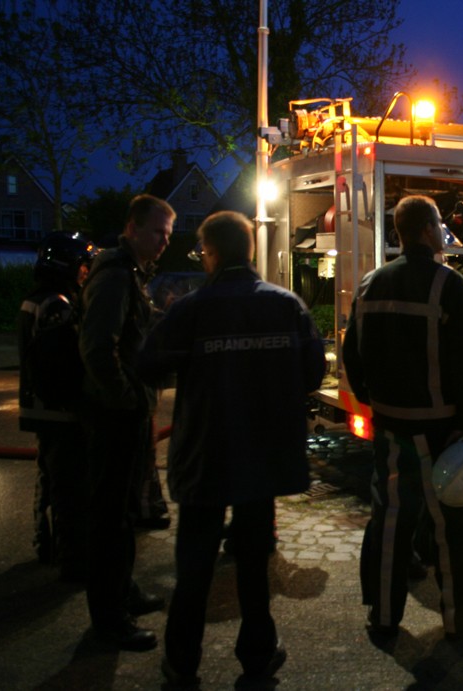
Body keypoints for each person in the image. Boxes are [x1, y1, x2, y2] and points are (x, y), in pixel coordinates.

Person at [137, 211, 324, 687]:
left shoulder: (190, 310)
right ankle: (257, 657)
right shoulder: (286, 306)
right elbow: (313, 372)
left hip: (205, 455)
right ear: (250, 250)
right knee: (254, 563)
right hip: (263, 458)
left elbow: (148, 363)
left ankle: (182, 662)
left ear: (213, 253)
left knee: (194, 566)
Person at [342, 194, 463, 641]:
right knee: (450, 529)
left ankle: (384, 618)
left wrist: (371, 400)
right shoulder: (449, 284)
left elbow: (352, 353)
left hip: (390, 428)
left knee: (390, 522)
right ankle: (461, 620)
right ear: (428, 229)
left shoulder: (369, 283)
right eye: (439, 224)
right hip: (441, 430)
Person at [78, 193, 173, 651]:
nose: (164, 242)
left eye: (168, 235)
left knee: (125, 512)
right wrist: (128, 400)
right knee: (111, 518)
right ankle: (110, 619)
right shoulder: (116, 276)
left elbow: (137, 328)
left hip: (125, 412)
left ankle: (123, 591)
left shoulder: (131, 273)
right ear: (132, 228)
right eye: (158, 232)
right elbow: (98, 348)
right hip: (115, 417)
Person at [18, 232, 97, 583]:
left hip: (40, 409)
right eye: (81, 265)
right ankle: (73, 561)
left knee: (49, 480)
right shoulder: (57, 305)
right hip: (59, 412)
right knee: (69, 488)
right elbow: (64, 363)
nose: (85, 272)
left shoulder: (34, 299)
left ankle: (46, 544)